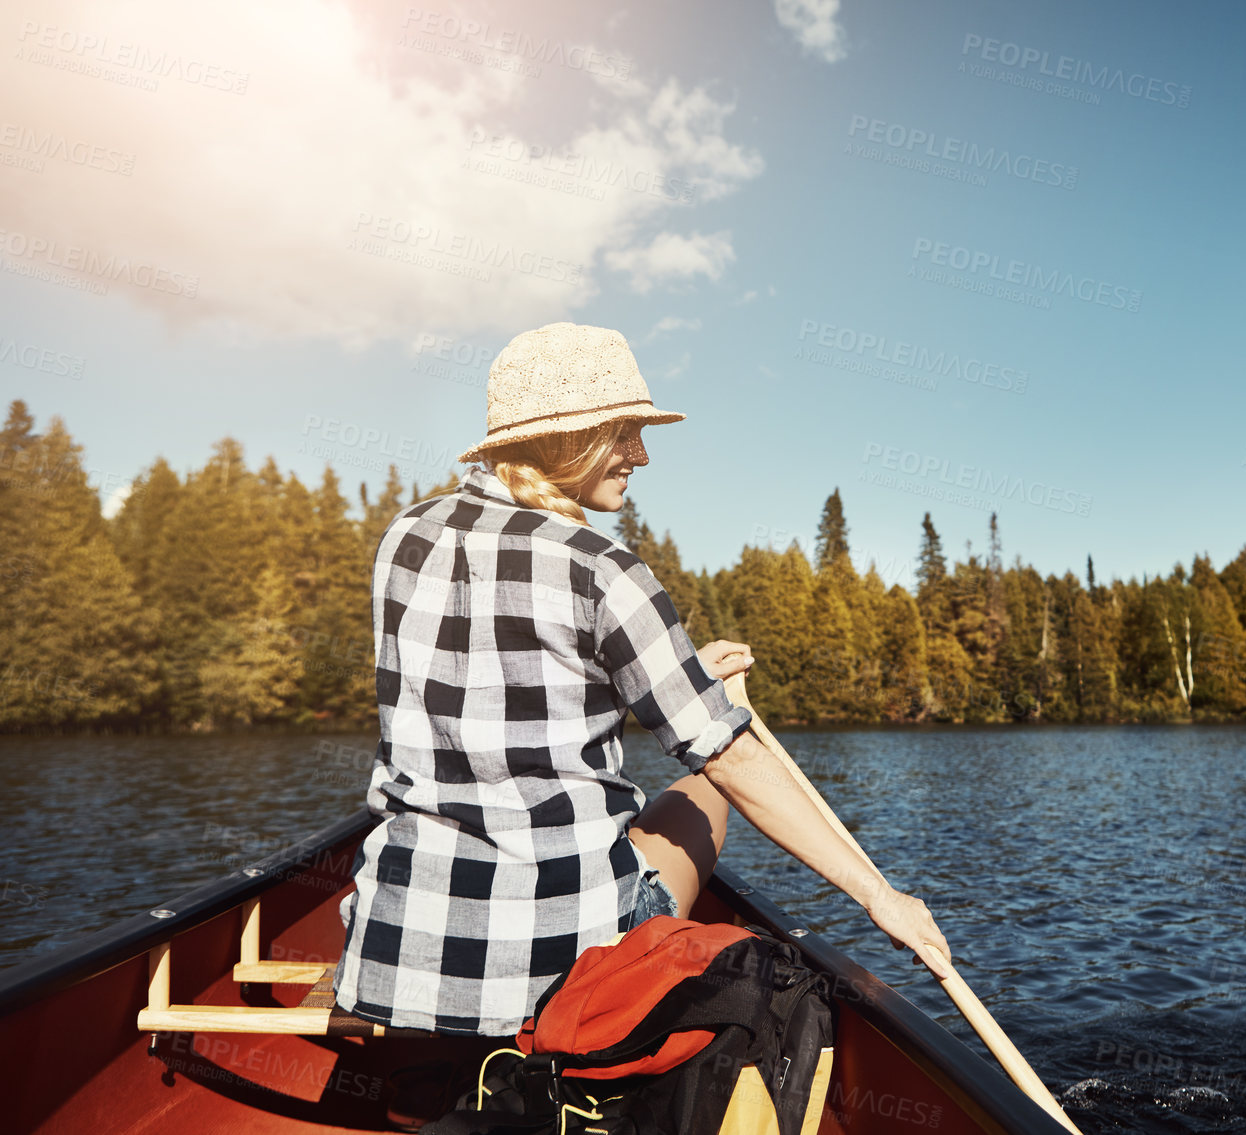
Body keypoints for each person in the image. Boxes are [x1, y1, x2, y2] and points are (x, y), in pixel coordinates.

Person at [332, 321, 949, 1037]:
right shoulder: (603, 568)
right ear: (570, 437)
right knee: (707, 787)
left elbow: (501, 698)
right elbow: (734, 756)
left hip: (393, 953)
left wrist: (683, 673)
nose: (642, 455)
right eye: (625, 432)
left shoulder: (404, 537)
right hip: (557, 974)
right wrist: (882, 897)